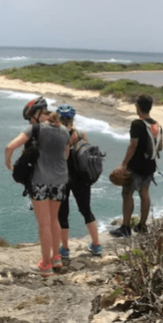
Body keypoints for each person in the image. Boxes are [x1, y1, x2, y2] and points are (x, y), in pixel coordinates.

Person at [5, 97, 70, 277]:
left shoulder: (35, 129)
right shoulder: (64, 130)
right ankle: (56, 258)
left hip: (40, 181)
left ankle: (46, 265)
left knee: (44, 224)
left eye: (30, 117)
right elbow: (65, 156)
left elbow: (9, 147)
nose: (29, 121)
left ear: (36, 114)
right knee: (54, 219)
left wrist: (8, 162)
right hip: (60, 181)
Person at [109, 94, 163, 238]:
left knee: (127, 193)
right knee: (144, 193)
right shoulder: (157, 125)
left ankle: (126, 227)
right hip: (150, 165)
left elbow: (133, 145)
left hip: (136, 165)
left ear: (137, 107)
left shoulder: (137, 124)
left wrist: (123, 165)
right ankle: (142, 225)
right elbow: (161, 147)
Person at [56, 104, 102, 257]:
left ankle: (65, 249)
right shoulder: (81, 134)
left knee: (63, 214)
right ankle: (96, 245)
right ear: (73, 119)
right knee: (86, 210)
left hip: (63, 179)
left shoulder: (57, 135)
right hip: (82, 179)